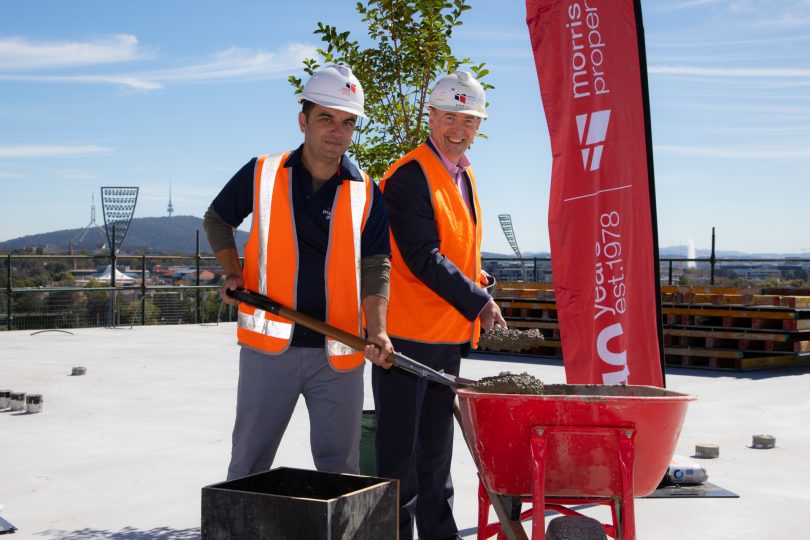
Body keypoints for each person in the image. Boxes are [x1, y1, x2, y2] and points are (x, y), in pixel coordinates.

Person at [203, 64, 394, 481]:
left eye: (348, 122)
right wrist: (233, 272)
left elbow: (377, 263)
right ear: (303, 120)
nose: (337, 131)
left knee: (341, 474)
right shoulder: (263, 172)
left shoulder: (366, 190)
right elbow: (216, 219)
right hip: (269, 349)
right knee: (249, 468)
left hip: (339, 354)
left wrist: (377, 329)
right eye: (326, 118)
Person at [373, 71, 507, 540]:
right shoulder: (409, 175)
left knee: (435, 453)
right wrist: (480, 301)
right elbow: (422, 256)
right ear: (431, 116)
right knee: (399, 457)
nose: (459, 127)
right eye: (451, 116)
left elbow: (454, 247)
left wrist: (479, 279)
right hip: (408, 338)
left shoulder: (463, 172)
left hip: (445, 336)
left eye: (469, 120)